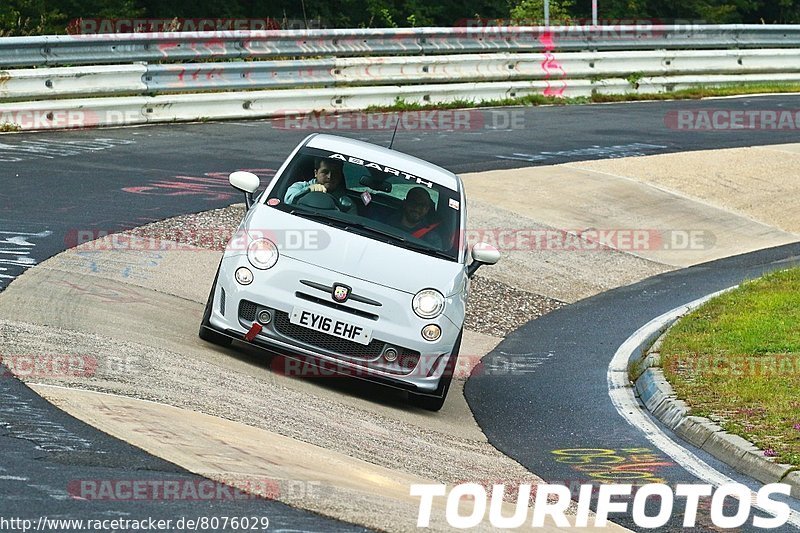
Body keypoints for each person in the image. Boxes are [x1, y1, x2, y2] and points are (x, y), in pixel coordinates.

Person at [285, 158, 354, 212]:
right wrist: (308, 190)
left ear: (340, 176)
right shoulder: (299, 187)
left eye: (335, 173)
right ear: (316, 173)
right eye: (325, 172)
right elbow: (287, 201)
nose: (330, 176)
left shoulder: (345, 202)